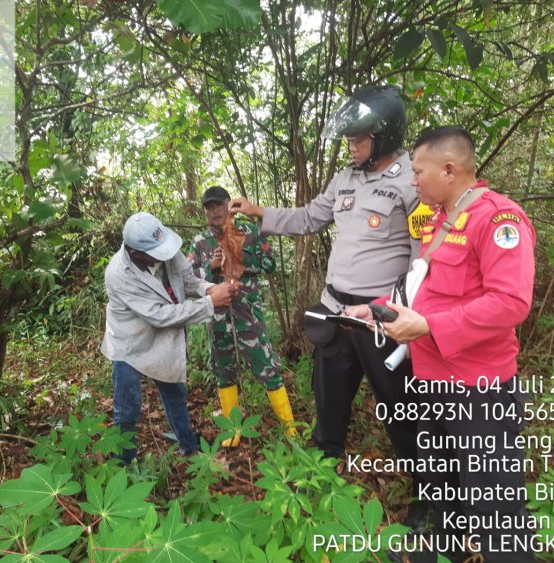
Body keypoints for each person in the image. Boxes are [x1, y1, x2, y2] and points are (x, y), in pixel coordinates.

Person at [231, 85, 432, 526]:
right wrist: (258, 211)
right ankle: (320, 471)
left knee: (401, 410)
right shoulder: (345, 178)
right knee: (329, 403)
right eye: (350, 140)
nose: (352, 147)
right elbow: (308, 217)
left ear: (384, 136)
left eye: (359, 139)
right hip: (334, 310)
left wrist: (403, 312)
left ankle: (427, 498)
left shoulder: (410, 181)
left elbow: (422, 260)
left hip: (380, 318)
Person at [347, 126, 536, 562]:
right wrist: (372, 310)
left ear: (449, 170)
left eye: (418, 171)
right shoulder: (438, 220)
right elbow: (421, 290)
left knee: (495, 508)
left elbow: (510, 303)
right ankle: (436, 553)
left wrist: (429, 327)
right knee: (440, 486)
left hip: (479, 392)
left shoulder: (499, 219)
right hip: (432, 383)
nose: (412, 180)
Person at [101, 212, 236, 463]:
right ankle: (126, 464)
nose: (165, 254)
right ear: (136, 252)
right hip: (130, 343)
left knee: (175, 394)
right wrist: (209, 304)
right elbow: (159, 316)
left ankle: (189, 448)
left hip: (162, 337)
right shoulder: (118, 273)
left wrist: (212, 289)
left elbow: (188, 280)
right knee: (127, 408)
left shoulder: (168, 251)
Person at [188, 185, 295, 447]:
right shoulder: (200, 242)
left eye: (218, 205)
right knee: (224, 371)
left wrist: (240, 260)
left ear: (229, 205)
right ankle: (233, 432)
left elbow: (270, 264)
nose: (214, 211)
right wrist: (210, 266)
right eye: (209, 207)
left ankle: (291, 432)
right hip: (218, 317)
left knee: (266, 366)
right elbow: (190, 280)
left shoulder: (250, 232)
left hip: (248, 313)